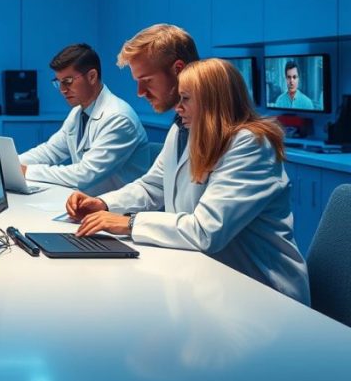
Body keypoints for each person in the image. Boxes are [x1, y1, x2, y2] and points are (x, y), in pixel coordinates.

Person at [67, 59, 309, 304]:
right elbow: (154, 185)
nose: (177, 108)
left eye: (186, 99)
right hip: (211, 277)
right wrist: (103, 204)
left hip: (263, 292)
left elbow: (206, 230)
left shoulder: (250, 145)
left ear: (213, 101)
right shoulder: (186, 132)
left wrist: (129, 223)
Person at [19, 44, 149, 195]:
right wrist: (11, 165)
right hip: (92, 203)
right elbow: (51, 151)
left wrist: (27, 171)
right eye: (59, 82)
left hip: (119, 212)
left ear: (92, 76)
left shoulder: (118, 118)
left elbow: (85, 174)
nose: (62, 90)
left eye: (67, 81)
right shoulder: (77, 113)